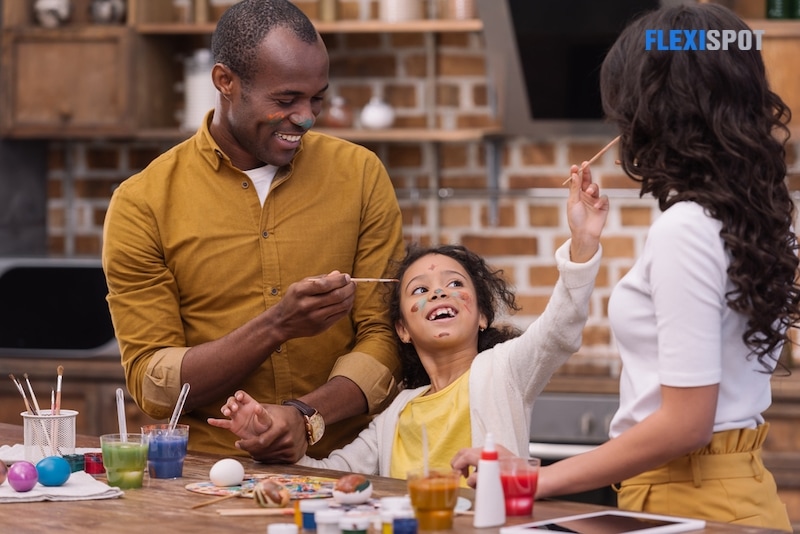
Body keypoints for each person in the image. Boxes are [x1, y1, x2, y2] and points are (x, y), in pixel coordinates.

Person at [454, 4, 797, 530]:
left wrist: (533, 480)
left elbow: (685, 426)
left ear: (656, 106)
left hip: (689, 495)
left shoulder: (684, 228)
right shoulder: (763, 214)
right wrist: (584, 241)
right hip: (736, 488)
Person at [101, 0, 405, 463]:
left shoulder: (360, 175)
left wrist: (306, 417)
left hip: (346, 467)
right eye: (285, 101)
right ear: (225, 82)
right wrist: (276, 326)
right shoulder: (142, 202)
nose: (305, 117)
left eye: (317, 98)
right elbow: (152, 379)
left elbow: (384, 333)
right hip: (207, 474)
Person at [208, 163, 608, 478]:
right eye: (419, 289)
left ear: (483, 315)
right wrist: (269, 439)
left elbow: (559, 330)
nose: (438, 292)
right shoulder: (397, 411)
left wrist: (583, 243)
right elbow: (332, 477)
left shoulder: (504, 371)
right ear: (401, 328)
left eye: (454, 283)